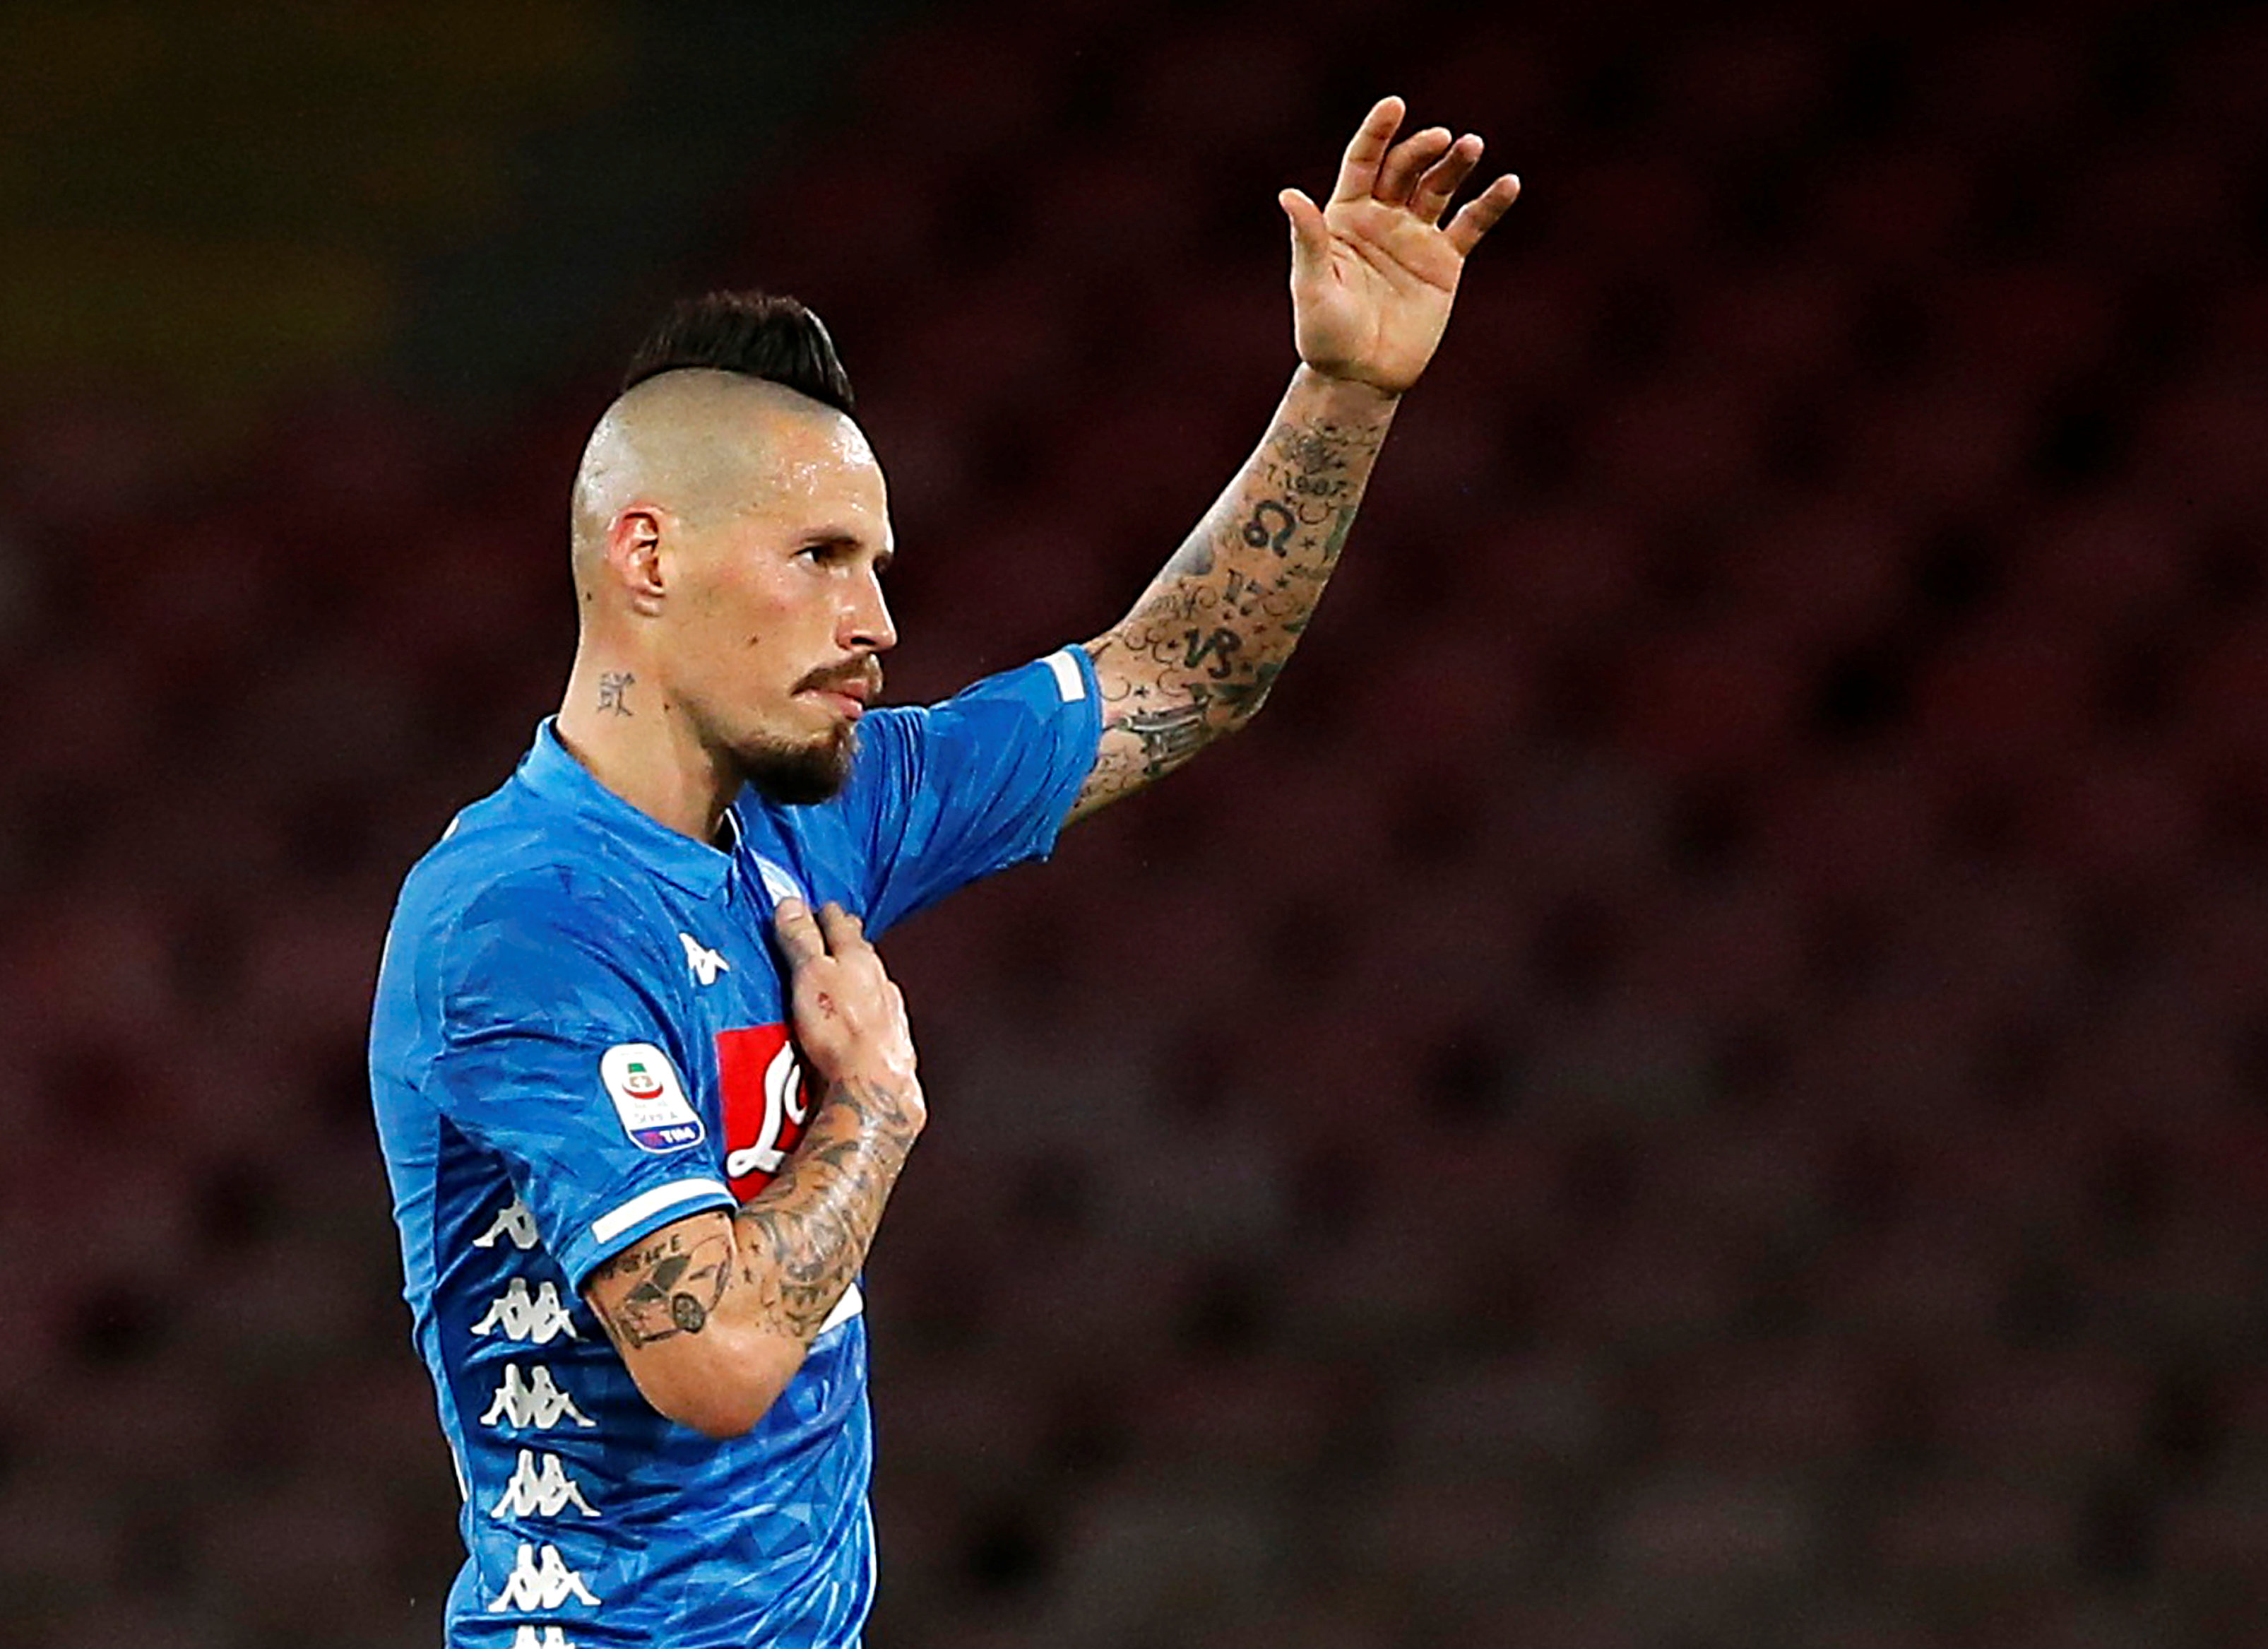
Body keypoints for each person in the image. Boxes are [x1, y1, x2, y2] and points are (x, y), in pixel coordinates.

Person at [369, 96, 1517, 1648]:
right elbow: (712, 1363)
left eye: (879, 567)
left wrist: (1342, 389)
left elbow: (1180, 678)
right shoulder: (522, 917)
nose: (878, 620)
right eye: (822, 558)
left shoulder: (814, 811)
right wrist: (876, 1110)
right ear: (646, 558)